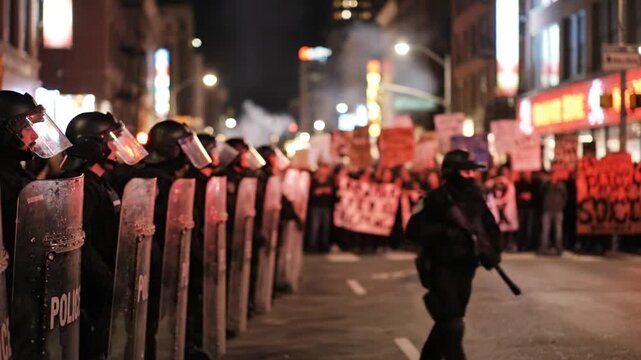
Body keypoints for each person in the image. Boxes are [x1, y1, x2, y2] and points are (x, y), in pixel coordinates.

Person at [60, 111, 148, 359]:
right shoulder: (78, 185)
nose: (119, 146)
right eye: (111, 140)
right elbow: (80, 240)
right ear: (93, 145)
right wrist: (107, 280)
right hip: (89, 288)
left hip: (103, 282)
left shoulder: (99, 182)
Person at [405, 149, 501, 360]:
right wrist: (446, 233)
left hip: (465, 268)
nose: (471, 177)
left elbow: (489, 226)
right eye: (466, 172)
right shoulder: (436, 199)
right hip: (441, 267)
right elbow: (413, 230)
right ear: (452, 172)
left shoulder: (475, 197)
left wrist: (493, 252)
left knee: (450, 321)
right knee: (452, 322)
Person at [0, 90, 72, 294]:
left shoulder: (17, 175)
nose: (35, 135)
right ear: (6, 131)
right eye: (26, 127)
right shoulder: (6, 180)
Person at [307, 162, 334, 253]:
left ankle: (324, 245)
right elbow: (313, 192)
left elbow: (332, 192)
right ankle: (312, 245)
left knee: (325, 227)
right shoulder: (314, 180)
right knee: (315, 226)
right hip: (316, 206)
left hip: (326, 206)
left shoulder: (330, 180)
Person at [539, 169, 568, 255]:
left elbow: (565, 196)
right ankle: (544, 247)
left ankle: (559, 247)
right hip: (547, 210)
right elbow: (541, 193)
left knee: (558, 230)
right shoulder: (546, 185)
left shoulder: (561, 185)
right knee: (545, 230)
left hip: (558, 210)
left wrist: (561, 205)